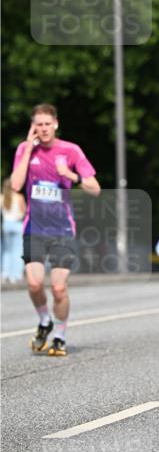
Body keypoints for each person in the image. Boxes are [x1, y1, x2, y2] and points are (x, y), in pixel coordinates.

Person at [10, 103, 100, 356]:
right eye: (38, 124)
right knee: (34, 283)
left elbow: (95, 188)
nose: (43, 129)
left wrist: (72, 177)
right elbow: (16, 184)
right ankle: (44, 320)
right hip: (34, 228)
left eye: (47, 124)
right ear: (32, 126)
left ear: (56, 124)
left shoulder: (70, 151)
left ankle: (59, 334)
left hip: (62, 230)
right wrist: (28, 148)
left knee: (59, 288)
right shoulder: (25, 150)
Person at [2, 178, 26, 284]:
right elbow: (23, 212)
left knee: (6, 251)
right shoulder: (19, 197)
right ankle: (15, 275)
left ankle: (5, 273)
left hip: (6, 225)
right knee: (17, 251)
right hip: (17, 225)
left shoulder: (2, 198)